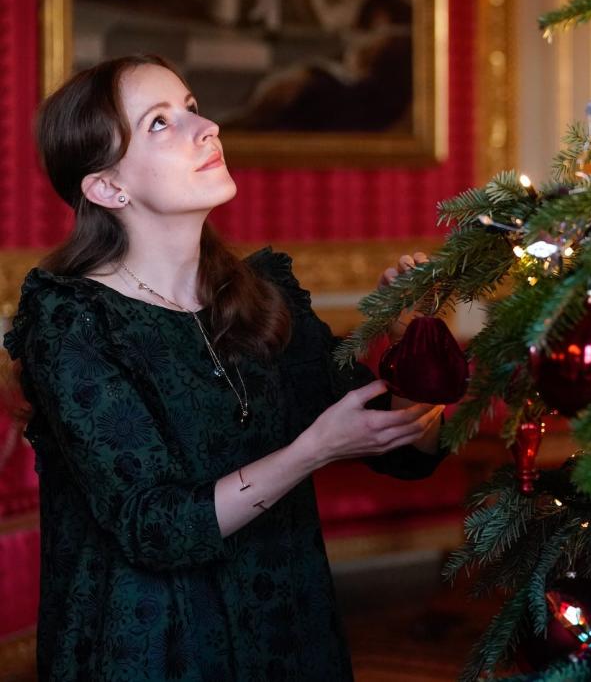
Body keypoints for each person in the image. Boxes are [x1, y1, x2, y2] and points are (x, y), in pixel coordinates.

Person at [5, 53, 446, 681]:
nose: (206, 126)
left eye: (190, 106)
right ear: (107, 187)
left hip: (289, 631)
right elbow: (155, 527)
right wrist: (311, 451)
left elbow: (405, 450)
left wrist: (414, 344)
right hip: (154, 645)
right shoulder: (73, 323)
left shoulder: (262, 296)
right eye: (160, 123)